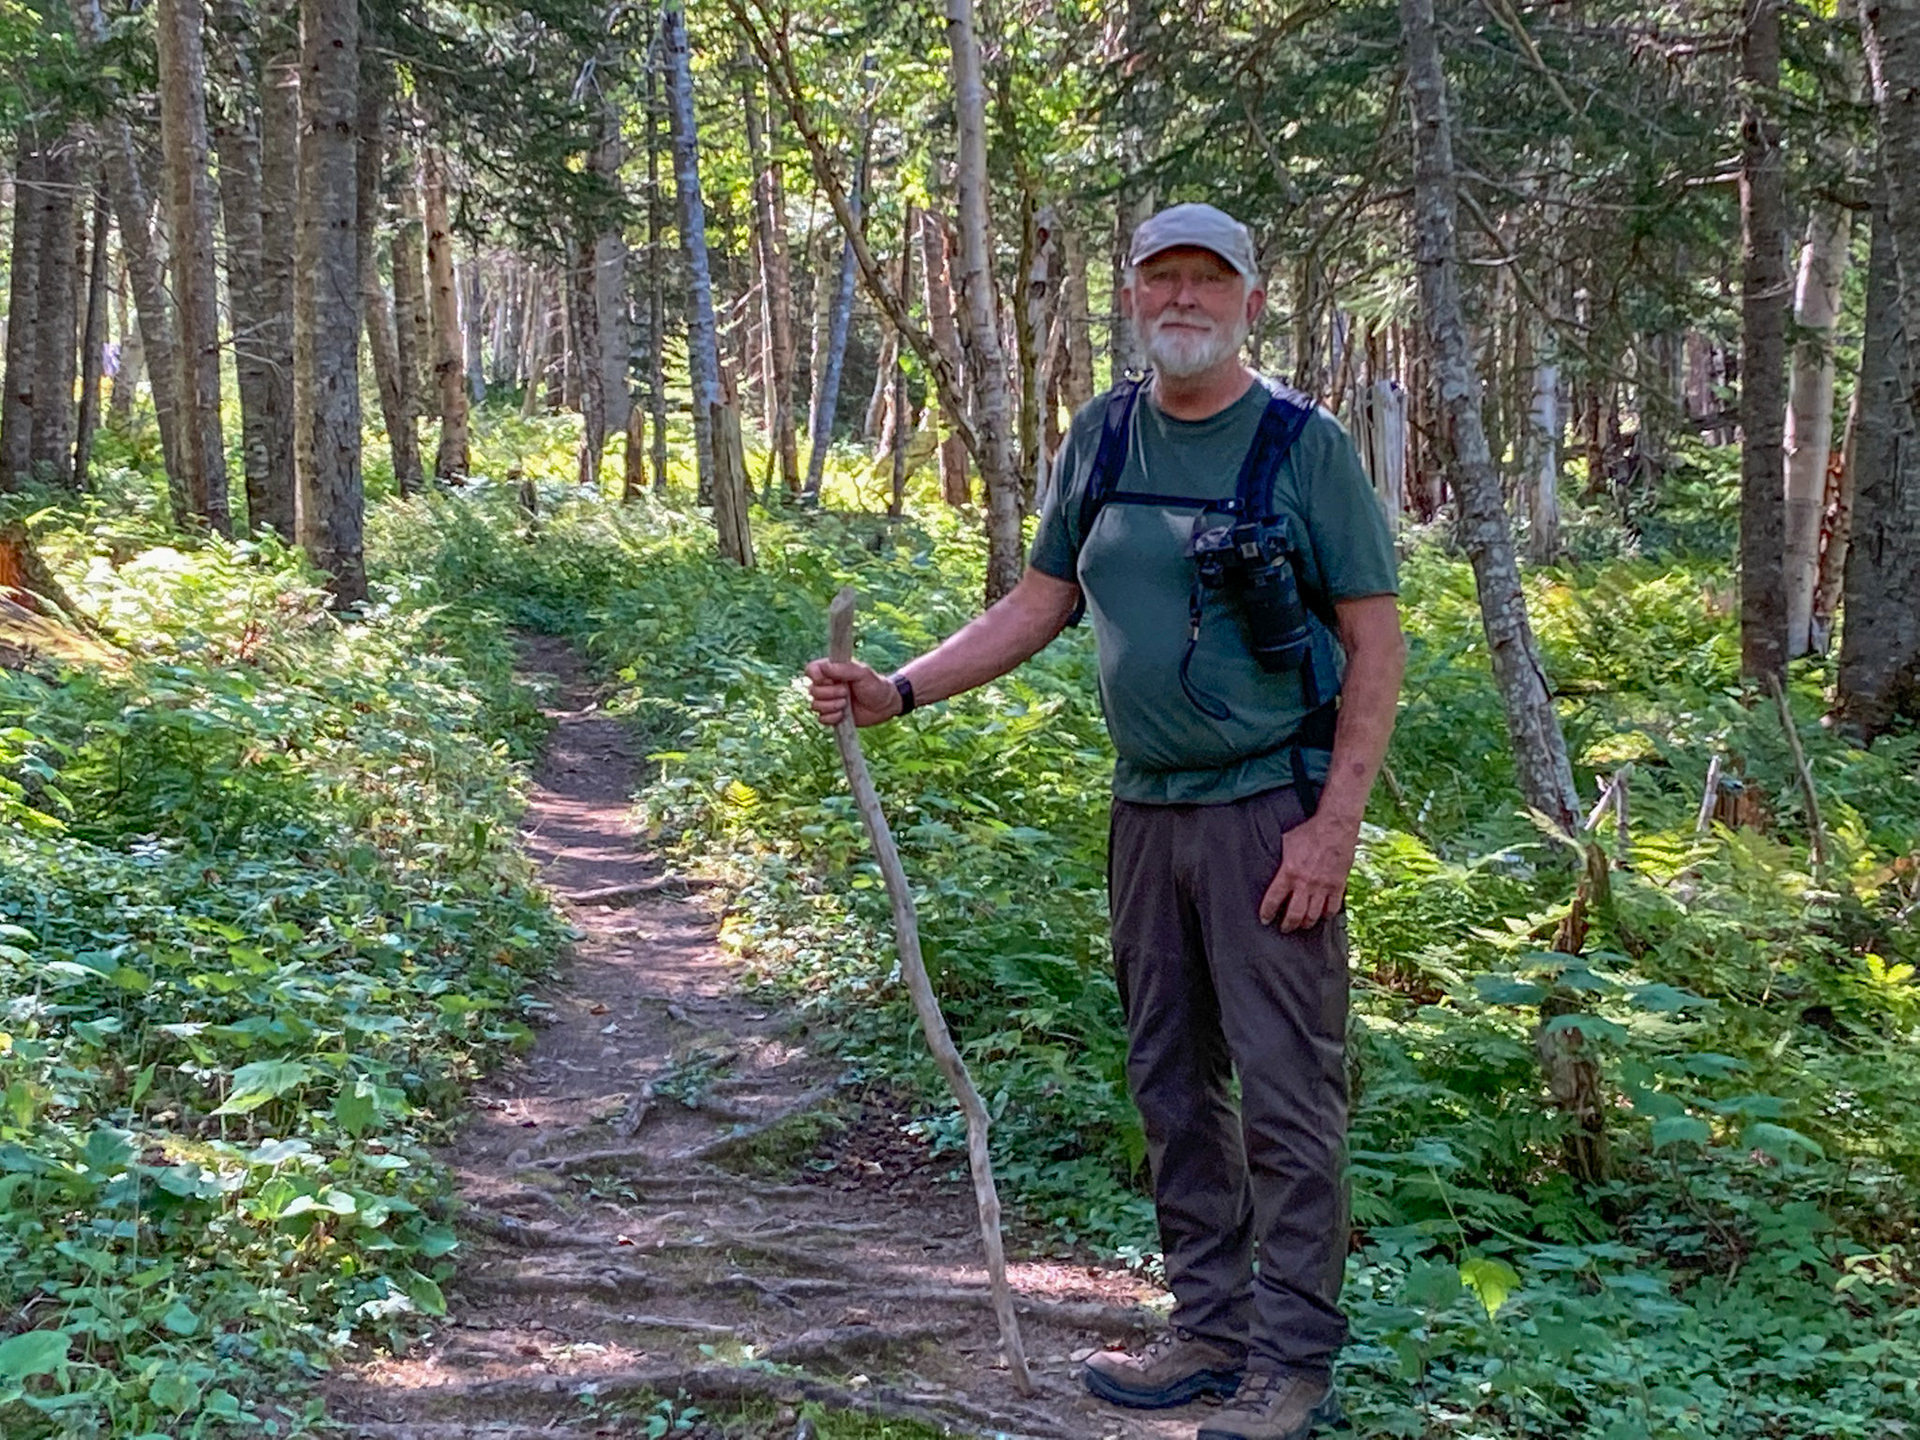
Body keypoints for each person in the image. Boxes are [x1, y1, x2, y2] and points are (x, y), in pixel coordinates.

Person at [805, 201, 1404, 1440]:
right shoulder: (1104, 434)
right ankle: (1206, 1328)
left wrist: (1333, 824)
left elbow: (1374, 640)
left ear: (1247, 298)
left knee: (1289, 1092)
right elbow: (1038, 602)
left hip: (1269, 811)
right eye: (1160, 280)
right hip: (1147, 813)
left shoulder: (1305, 445)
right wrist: (898, 690)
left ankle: (1290, 1362)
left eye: (1208, 280)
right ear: (1132, 297)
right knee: (1169, 1079)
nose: (1183, 299)